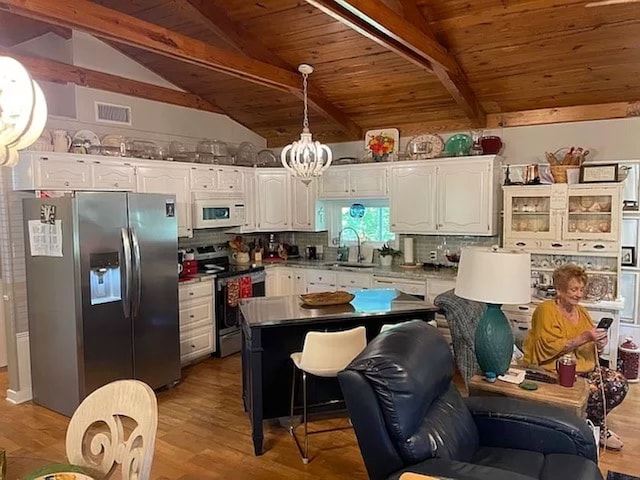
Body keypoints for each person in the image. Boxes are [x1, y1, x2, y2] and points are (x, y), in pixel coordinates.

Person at [523, 264, 628, 450]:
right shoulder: (546, 310)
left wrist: (598, 345)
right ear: (560, 290)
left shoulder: (582, 312)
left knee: (619, 384)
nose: (579, 294)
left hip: (583, 368)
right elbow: (547, 348)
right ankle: (586, 430)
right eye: (573, 289)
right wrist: (585, 337)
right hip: (552, 369)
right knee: (595, 391)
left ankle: (592, 425)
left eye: (581, 289)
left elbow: (588, 349)